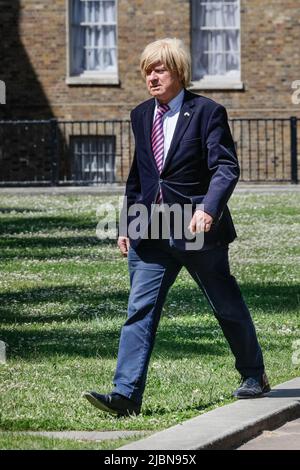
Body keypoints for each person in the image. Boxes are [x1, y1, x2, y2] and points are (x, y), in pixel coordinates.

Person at [84, 38, 270, 417]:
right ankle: (125, 396)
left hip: (195, 227)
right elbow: (140, 176)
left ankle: (254, 375)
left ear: (178, 72)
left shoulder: (207, 112)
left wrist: (208, 210)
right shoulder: (140, 115)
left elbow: (225, 167)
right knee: (140, 310)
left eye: (159, 69)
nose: (151, 77)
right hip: (150, 230)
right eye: (147, 70)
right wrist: (126, 223)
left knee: (225, 304)